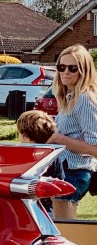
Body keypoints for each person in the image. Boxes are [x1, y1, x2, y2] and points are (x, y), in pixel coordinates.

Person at [45, 44, 97, 220]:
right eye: (61, 67)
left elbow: (95, 148)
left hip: (74, 172)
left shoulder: (83, 98)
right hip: (62, 171)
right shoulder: (69, 96)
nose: (66, 72)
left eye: (72, 68)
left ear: (83, 71)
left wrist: (59, 138)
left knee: (66, 232)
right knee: (60, 230)